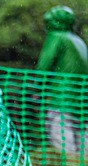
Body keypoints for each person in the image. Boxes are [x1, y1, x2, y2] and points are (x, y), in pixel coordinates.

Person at [36, 5, 88, 154]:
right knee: (83, 146)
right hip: (82, 101)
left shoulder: (56, 37)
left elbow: (44, 66)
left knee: (64, 146)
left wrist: (35, 88)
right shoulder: (78, 41)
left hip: (61, 99)